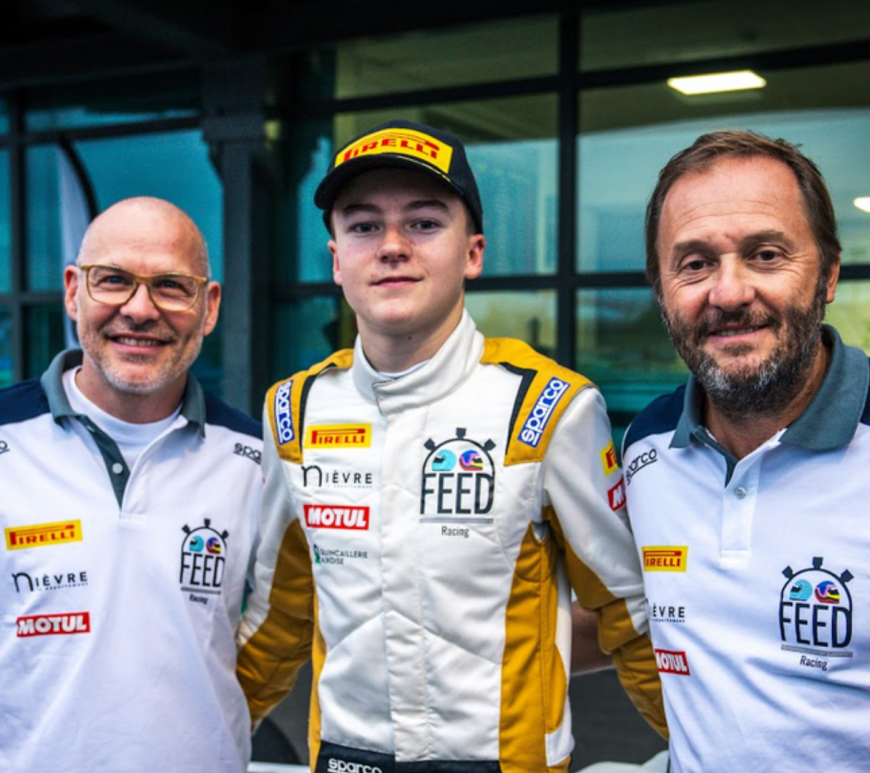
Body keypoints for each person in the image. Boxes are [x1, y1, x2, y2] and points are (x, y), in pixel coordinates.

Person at [236, 120, 665, 772]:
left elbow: (631, 615)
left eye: (424, 223)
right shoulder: (292, 413)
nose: (391, 247)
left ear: (474, 252)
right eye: (363, 226)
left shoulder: (549, 409)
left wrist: (722, 751)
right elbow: (274, 626)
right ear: (335, 259)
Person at [623, 129, 869, 771]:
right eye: (695, 263)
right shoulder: (644, 446)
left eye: (764, 254)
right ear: (661, 289)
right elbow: (627, 610)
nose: (728, 294)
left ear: (829, 273)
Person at [0, 197, 262, 773]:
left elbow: (280, 635)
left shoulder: (257, 463)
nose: (140, 310)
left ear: (209, 306)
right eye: (113, 280)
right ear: (73, 291)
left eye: (172, 286)